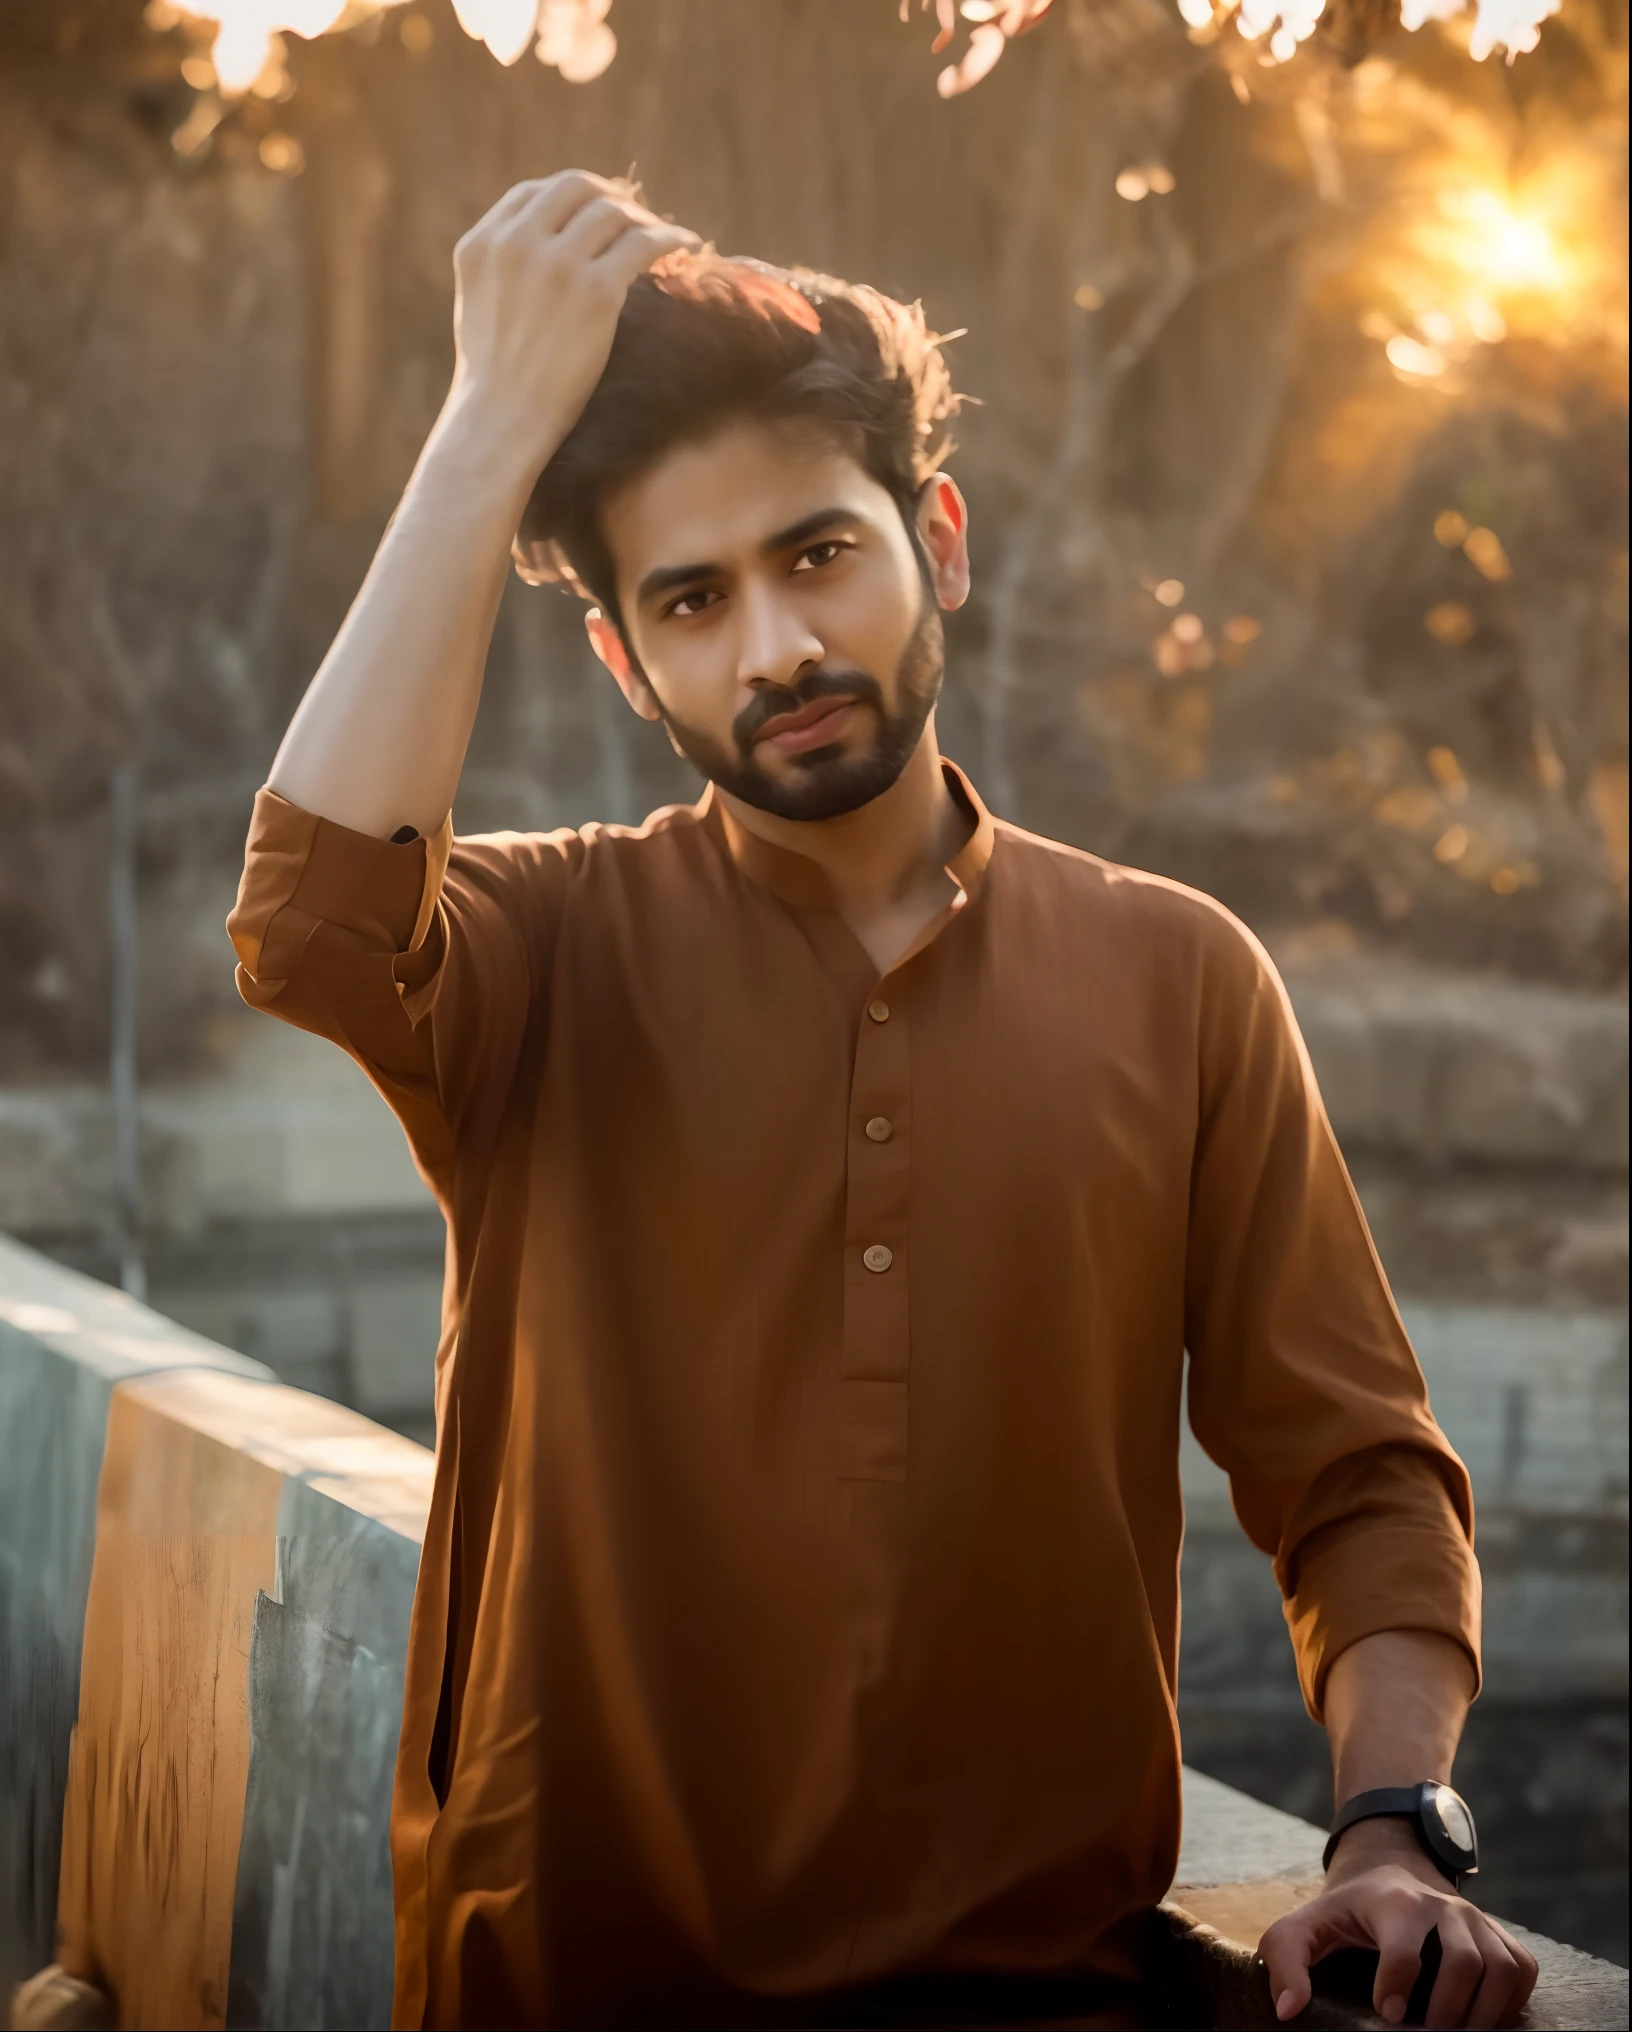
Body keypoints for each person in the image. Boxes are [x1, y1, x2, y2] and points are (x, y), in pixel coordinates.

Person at [229, 171, 1538, 2031]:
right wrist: (486, 426)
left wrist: (1393, 1834)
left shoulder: (1181, 977)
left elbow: (1359, 1479)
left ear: (939, 534)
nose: (772, 648)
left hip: (1048, 1995)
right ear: (623, 658)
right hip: (567, 1990)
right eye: (692, 599)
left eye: (818, 555)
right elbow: (307, 928)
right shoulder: (537, 948)